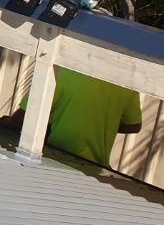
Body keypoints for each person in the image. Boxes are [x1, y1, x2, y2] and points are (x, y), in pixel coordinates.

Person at [11, 68, 144, 165]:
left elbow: (25, 115)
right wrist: (102, 123)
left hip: (55, 159)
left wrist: (3, 126)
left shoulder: (63, 70)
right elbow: (134, 125)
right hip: (96, 169)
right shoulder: (126, 84)